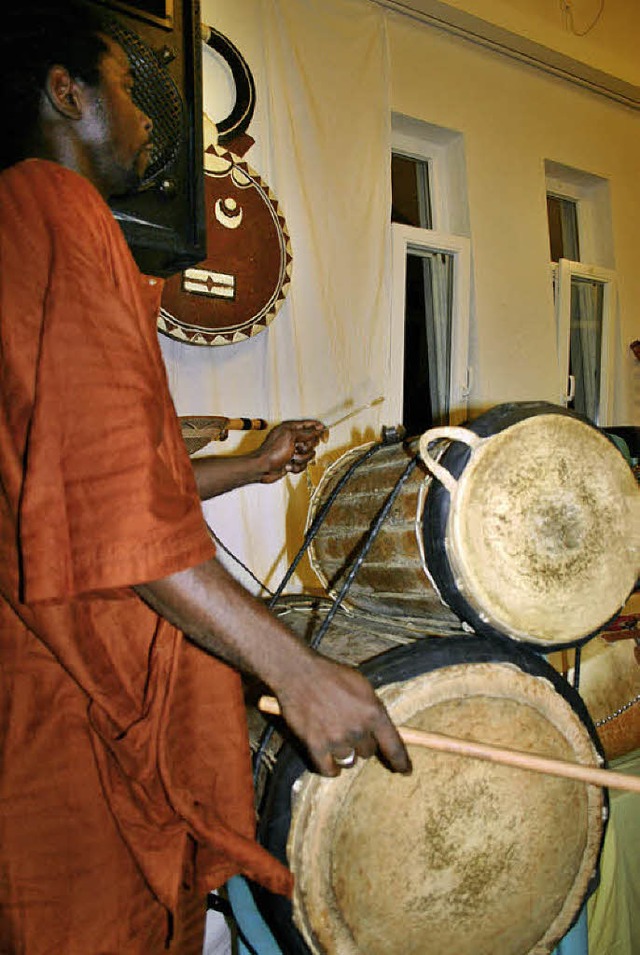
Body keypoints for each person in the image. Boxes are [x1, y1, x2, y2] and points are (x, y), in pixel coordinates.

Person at [0, 3, 410, 953]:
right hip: (74, 725)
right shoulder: (58, 208)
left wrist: (257, 463)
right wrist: (296, 670)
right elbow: (112, 514)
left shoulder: (19, 221)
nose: (151, 123)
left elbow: (81, 485)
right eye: (134, 96)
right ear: (67, 93)